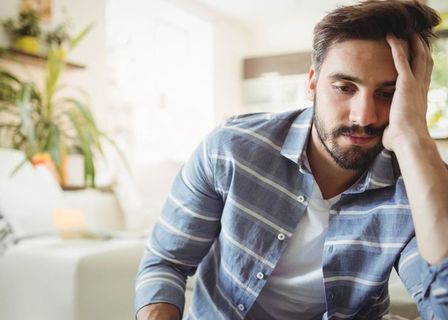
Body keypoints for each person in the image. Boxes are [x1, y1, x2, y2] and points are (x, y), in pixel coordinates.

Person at [135, 0, 448, 319]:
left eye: (388, 93)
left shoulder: (418, 184)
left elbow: (442, 301)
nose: (363, 116)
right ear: (312, 82)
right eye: (343, 87)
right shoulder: (232, 148)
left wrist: (413, 138)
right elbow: (167, 262)